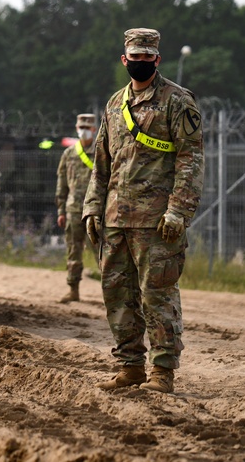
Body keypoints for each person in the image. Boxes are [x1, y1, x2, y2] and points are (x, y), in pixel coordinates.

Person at [82, 28, 204, 394]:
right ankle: (129, 366)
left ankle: (162, 372)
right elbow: (101, 162)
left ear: (157, 59)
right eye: (134, 58)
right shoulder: (114, 104)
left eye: (147, 58)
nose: (140, 64)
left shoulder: (177, 102)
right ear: (125, 60)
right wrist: (92, 207)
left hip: (156, 223)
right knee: (117, 295)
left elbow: (191, 160)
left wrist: (178, 211)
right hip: (117, 219)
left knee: (157, 295)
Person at [55, 113, 98, 303]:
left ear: (94, 130)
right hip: (73, 209)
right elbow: (61, 184)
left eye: (88, 128)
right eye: (82, 127)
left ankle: (112, 295)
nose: (84, 131)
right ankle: (73, 290)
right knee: (73, 250)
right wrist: (61, 211)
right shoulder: (69, 154)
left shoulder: (102, 153)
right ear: (76, 128)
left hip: (96, 210)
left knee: (103, 252)